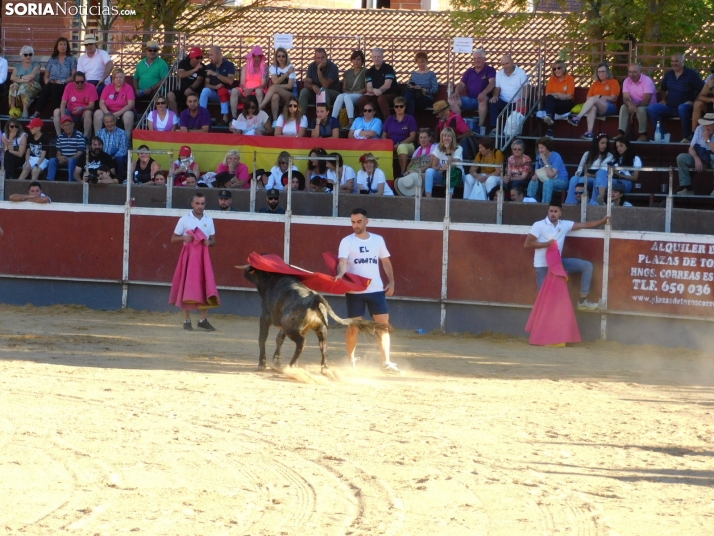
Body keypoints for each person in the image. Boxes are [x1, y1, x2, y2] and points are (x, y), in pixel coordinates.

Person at [335, 207, 399, 373]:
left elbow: (386, 262)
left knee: (383, 326)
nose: (355, 225)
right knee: (354, 327)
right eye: (353, 222)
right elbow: (342, 262)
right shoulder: (347, 241)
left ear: (366, 222)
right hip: (355, 290)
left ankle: (386, 362)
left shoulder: (377, 240)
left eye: (359, 222)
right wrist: (340, 274)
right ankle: (350, 360)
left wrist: (391, 282)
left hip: (376, 289)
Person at [524, 201, 609, 311]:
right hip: (543, 265)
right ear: (548, 212)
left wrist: (602, 221)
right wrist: (546, 244)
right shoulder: (539, 225)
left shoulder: (564, 225)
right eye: (551, 211)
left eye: (555, 211)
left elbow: (584, 225)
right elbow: (527, 244)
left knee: (587, 266)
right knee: (544, 298)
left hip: (558, 264)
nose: (552, 214)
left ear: (560, 213)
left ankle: (583, 301)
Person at [170, 191, 218, 330]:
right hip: (189, 257)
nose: (200, 206)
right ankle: (187, 320)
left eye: (202, 204)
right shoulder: (185, 219)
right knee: (187, 285)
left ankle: (203, 320)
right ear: (192, 204)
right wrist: (184, 238)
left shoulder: (209, 220)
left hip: (203, 257)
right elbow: (173, 238)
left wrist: (209, 242)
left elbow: (214, 239)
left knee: (205, 284)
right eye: (197, 203)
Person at [647, 53, 703, 143]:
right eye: (672, 61)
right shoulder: (669, 75)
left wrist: (695, 102)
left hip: (686, 107)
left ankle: (687, 137)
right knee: (651, 108)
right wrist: (664, 99)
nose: (674, 63)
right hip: (670, 107)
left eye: (676, 61)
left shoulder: (691, 74)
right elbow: (663, 89)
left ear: (683, 62)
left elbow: (702, 90)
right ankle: (662, 136)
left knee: (682, 107)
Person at [568, 63, 620, 140]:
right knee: (592, 107)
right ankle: (589, 133)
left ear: (607, 72)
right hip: (597, 106)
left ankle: (577, 117)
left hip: (610, 106)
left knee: (595, 98)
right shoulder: (595, 84)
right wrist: (597, 99)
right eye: (599, 72)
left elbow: (613, 98)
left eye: (603, 71)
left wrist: (600, 97)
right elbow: (588, 97)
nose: (601, 74)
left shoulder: (613, 82)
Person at [450, 49, 496, 132]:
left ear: (484, 59)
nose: (476, 60)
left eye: (479, 58)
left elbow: (492, 83)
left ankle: (480, 126)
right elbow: (461, 84)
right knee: (452, 100)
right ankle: (459, 124)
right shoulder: (469, 71)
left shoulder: (490, 70)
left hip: (482, 99)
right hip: (469, 99)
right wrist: (456, 92)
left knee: (483, 99)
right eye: (474, 59)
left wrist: (483, 93)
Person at [565, 133, 615, 203]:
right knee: (574, 179)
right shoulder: (587, 154)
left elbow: (603, 173)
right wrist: (583, 174)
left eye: (606, 143)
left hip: (597, 179)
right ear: (596, 143)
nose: (604, 145)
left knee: (586, 180)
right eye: (602, 143)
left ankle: (595, 204)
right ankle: (570, 204)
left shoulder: (609, 156)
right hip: (585, 176)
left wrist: (590, 175)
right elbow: (579, 170)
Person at [34, 37, 76, 119]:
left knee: (55, 87)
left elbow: (73, 76)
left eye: (64, 44)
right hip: (52, 82)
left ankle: (57, 112)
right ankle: (37, 112)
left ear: (67, 47)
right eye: (60, 44)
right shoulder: (52, 59)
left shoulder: (72, 59)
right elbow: (46, 75)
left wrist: (63, 81)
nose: (62, 46)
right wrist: (46, 81)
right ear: (57, 46)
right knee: (46, 88)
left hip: (65, 83)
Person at [592, 136, 642, 203]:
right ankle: (599, 199)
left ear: (627, 146)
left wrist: (620, 175)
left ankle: (596, 202)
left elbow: (635, 177)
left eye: (621, 146)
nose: (619, 149)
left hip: (625, 182)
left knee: (598, 182)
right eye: (617, 147)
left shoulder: (635, 158)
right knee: (600, 174)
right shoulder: (615, 158)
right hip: (613, 179)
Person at [676, 112, 714, 196]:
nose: (705, 127)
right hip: (700, 157)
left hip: (712, 160)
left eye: (708, 125)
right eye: (704, 125)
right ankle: (687, 188)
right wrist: (696, 159)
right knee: (681, 157)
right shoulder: (699, 129)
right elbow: (691, 148)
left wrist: (707, 139)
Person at [489, 55, 528, 134]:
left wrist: (523, 99)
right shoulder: (499, 74)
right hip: (504, 101)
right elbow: (497, 88)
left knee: (521, 108)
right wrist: (495, 96)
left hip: (517, 102)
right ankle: (495, 128)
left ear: (512, 62)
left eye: (507, 63)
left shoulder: (521, 72)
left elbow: (526, 87)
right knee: (493, 103)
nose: (505, 66)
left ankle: (514, 134)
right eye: (503, 64)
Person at [257, 47, 296, 122]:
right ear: (276, 57)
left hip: (290, 94)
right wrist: (287, 73)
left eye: (283, 56)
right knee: (275, 96)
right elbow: (275, 81)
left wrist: (276, 87)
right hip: (278, 94)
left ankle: (259, 107)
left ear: (286, 57)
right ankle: (275, 121)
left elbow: (289, 86)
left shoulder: (290, 67)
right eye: (279, 56)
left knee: (274, 87)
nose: (281, 58)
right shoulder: (273, 67)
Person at [358, 48, 398, 120]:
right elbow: (369, 88)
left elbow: (387, 85)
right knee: (362, 99)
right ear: (372, 58)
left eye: (379, 57)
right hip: (375, 94)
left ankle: (387, 122)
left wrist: (379, 91)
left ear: (382, 57)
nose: (376, 59)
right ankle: (363, 121)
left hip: (391, 94)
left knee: (381, 98)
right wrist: (374, 91)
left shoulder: (388, 68)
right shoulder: (369, 71)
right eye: (374, 57)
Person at [200, 46, 236, 125]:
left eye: (211, 55)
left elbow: (230, 81)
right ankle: (202, 117)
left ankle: (225, 118)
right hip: (215, 93)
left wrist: (216, 74)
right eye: (209, 55)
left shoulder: (229, 65)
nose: (210, 57)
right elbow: (206, 84)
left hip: (228, 93)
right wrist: (214, 87)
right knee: (205, 90)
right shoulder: (209, 66)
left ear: (218, 54)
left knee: (222, 91)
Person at [526, 136, 569, 204]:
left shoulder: (556, 156)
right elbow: (537, 173)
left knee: (548, 182)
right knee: (533, 181)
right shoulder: (538, 157)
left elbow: (551, 175)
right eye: (539, 147)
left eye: (542, 147)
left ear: (548, 147)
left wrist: (545, 161)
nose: (540, 150)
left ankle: (545, 205)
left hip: (561, 181)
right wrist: (535, 177)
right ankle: (530, 202)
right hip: (545, 180)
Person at [94, 69, 135, 138]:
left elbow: (131, 104)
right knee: (98, 113)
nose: (118, 79)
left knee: (129, 115)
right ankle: (97, 138)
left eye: (121, 77)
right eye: (116, 77)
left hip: (123, 112)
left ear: (124, 78)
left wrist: (117, 114)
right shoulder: (107, 88)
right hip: (108, 111)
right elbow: (101, 103)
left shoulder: (128, 88)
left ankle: (127, 139)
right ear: (113, 79)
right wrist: (107, 113)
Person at [619, 63, 655, 141]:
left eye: (634, 72)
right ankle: (621, 133)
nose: (632, 74)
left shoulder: (647, 80)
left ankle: (643, 134)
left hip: (648, 105)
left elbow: (646, 100)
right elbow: (625, 98)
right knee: (623, 107)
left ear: (640, 72)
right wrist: (630, 103)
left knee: (640, 110)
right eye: (630, 72)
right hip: (634, 105)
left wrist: (634, 109)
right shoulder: (626, 81)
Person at [394, 129, 436, 196]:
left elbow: (431, 163)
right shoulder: (418, 149)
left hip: (426, 172)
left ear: (429, 138)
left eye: (425, 137)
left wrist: (419, 171)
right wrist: (408, 171)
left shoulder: (434, 148)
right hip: (415, 172)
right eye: (421, 137)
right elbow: (410, 164)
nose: (423, 140)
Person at [54, 71, 97, 136]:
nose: (80, 84)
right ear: (74, 81)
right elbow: (63, 103)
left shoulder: (91, 87)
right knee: (56, 111)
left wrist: (81, 108)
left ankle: (85, 138)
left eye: (82, 82)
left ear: (85, 80)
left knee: (88, 112)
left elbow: (91, 106)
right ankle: (59, 136)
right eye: (77, 82)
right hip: (70, 113)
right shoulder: (69, 86)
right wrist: (63, 117)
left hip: (83, 113)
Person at [382, 96, 418, 175]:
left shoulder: (410, 119)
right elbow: (384, 135)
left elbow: (412, 137)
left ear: (405, 107)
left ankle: (402, 173)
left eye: (401, 106)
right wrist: (388, 144)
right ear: (394, 108)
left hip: (408, 145)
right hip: (391, 145)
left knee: (402, 147)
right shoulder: (389, 119)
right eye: (396, 106)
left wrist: (399, 144)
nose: (399, 108)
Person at [331, 50, 366, 127]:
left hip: (360, 95)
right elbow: (344, 88)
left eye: (358, 59)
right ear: (352, 60)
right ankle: (333, 119)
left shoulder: (365, 71)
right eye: (354, 59)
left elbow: (366, 88)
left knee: (346, 96)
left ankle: (351, 120)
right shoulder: (347, 72)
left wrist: (355, 93)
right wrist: (348, 92)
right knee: (340, 96)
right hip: (349, 94)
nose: (356, 61)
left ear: (362, 61)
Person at [425, 127, 463, 197]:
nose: (446, 138)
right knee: (429, 171)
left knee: (450, 171)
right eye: (444, 136)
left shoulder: (458, 148)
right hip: (443, 174)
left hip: (457, 175)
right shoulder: (438, 147)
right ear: (441, 137)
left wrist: (448, 150)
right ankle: (428, 197)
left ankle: (449, 198)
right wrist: (441, 169)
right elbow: (434, 165)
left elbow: (454, 164)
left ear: (453, 138)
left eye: (449, 136)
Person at [299, 48, 340, 112]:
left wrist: (318, 69)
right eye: (318, 58)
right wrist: (313, 86)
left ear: (326, 57)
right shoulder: (311, 66)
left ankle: (323, 119)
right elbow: (306, 84)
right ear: (314, 58)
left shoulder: (333, 67)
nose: (320, 60)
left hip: (332, 93)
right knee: (304, 91)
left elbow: (325, 85)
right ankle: (300, 119)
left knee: (323, 91)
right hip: (316, 92)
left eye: (322, 57)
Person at [231, 45, 267, 119]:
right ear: (251, 57)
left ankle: (258, 117)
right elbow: (241, 83)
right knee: (234, 91)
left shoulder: (265, 68)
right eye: (255, 57)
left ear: (261, 58)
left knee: (259, 91)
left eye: (258, 57)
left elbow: (263, 84)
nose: (256, 59)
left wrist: (252, 89)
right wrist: (245, 89)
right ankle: (234, 117)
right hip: (245, 91)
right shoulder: (245, 67)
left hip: (257, 91)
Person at [542, 60, 575, 137]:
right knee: (549, 100)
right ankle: (549, 120)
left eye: (558, 68)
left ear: (563, 68)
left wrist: (557, 96)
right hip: (554, 102)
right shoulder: (552, 79)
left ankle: (550, 128)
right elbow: (547, 94)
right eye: (554, 69)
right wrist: (559, 94)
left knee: (550, 105)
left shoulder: (569, 78)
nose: (556, 70)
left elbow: (570, 96)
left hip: (566, 103)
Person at [168, 46, 205, 114]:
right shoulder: (184, 63)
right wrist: (194, 69)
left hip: (195, 91)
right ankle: (175, 118)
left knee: (192, 96)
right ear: (191, 57)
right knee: (170, 95)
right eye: (197, 58)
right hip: (183, 91)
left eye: (201, 58)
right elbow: (181, 75)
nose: (199, 60)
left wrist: (191, 88)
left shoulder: (202, 66)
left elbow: (199, 80)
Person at [48, 115, 85, 181]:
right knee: (52, 160)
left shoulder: (79, 135)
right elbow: (58, 152)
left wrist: (69, 159)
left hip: (75, 160)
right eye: (65, 125)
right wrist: (60, 158)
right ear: (62, 126)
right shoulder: (60, 137)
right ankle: (50, 181)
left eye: (69, 125)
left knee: (71, 161)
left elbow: (80, 152)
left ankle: (71, 183)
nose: (67, 127)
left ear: (73, 124)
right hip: (63, 160)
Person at [9, 45, 41, 119]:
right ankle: (12, 110)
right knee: (13, 86)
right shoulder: (17, 66)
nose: (28, 56)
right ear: (22, 55)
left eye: (30, 54)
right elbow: (12, 77)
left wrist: (19, 77)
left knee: (23, 86)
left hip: (33, 85)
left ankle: (25, 111)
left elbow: (32, 76)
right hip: (21, 84)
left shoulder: (36, 64)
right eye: (26, 54)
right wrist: (23, 79)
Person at [403, 51, 438, 117]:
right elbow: (408, 85)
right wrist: (413, 87)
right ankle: (411, 122)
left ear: (426, 62)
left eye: (422, 62)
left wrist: (423, 90)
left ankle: (407, 121)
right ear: (416, 62)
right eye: (419, 62)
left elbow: (435, 89)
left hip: (426, 98)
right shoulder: (414, 74)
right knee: (411, 100)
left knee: (408, 97)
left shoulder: (431, 74)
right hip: (414, 96)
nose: (421, 64)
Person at [96, 113, 128, 181]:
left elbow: (123, 150)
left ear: (115, 121)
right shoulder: (99, 133)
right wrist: (105, 157)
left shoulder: (122, 133)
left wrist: (112, 158)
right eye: (107, 122)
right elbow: (97, 146)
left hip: (116, 157)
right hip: (103, 156)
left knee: (120, 159)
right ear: (104, 123)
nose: (109, 124)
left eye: (111, 121)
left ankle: (119, 180)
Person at [692, 64, 714, 134]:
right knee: (698, 104)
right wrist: (711, 100)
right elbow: (700, 96)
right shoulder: (711, 78)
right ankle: (695, 133)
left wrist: (711, 87)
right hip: (711, 103)